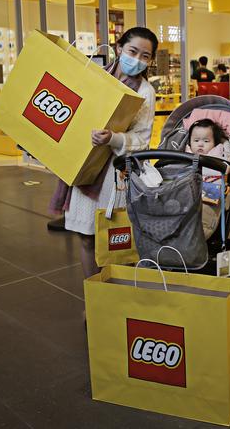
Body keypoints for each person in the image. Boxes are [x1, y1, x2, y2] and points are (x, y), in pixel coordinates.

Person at [61, 27, 158, 280]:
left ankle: (115, 298)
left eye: (145, 56)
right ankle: (93, 296)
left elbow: (142, 140)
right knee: (86, 237)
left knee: (115, 242)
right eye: (132, 51)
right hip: (85, 167)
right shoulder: (95, 77)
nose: (137, 60)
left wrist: (113, 138)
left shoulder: (145, 92)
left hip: (113, 177)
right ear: (119, 48)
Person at [185, 119, 228, 239]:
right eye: (196, 140)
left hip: (207, 200)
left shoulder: (218, 159)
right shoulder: (182, 158)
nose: (200, 144)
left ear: (215, 143)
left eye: (206, 141)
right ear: (189, 142)